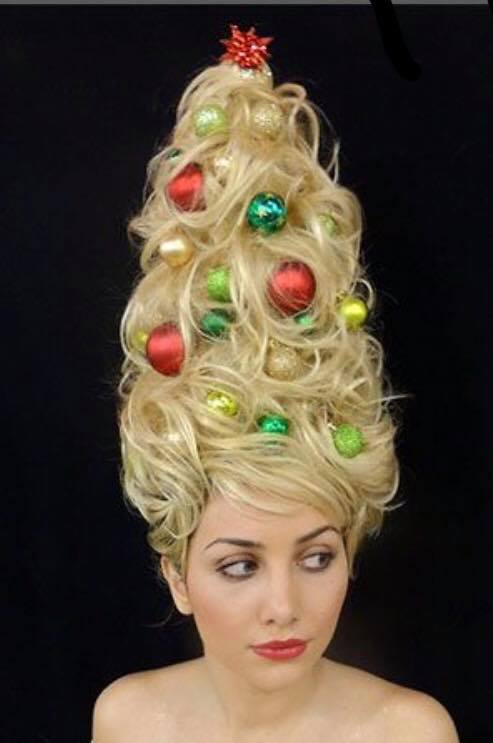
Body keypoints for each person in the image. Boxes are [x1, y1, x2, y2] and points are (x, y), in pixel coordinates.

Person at [91, 24, 460, 743]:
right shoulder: (128, 719)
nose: (284, 607)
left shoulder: (406, 732)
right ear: (176, 576)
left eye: (317, 556)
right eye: (239, 565)